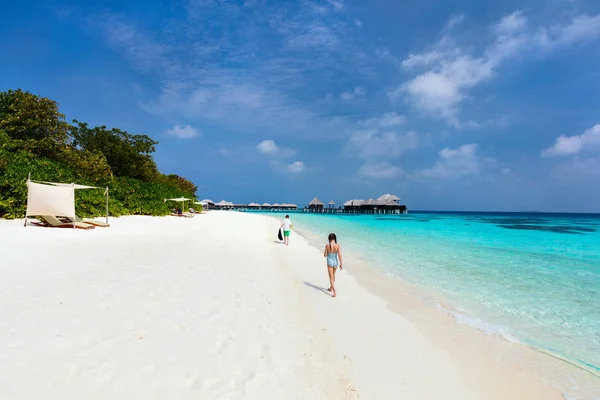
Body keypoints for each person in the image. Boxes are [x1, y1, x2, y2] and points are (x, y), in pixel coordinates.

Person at [324, 233, 343, 298]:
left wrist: (326, 250)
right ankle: (331, 288)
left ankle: (334, 291)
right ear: (335, 239)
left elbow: (325, 255)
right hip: (336, 262)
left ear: (329, 239)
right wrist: (341, 264)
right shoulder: (338, 245)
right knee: (333, 276)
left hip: (329, 262)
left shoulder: (327, 245)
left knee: (331, 277)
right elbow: (340, 255)